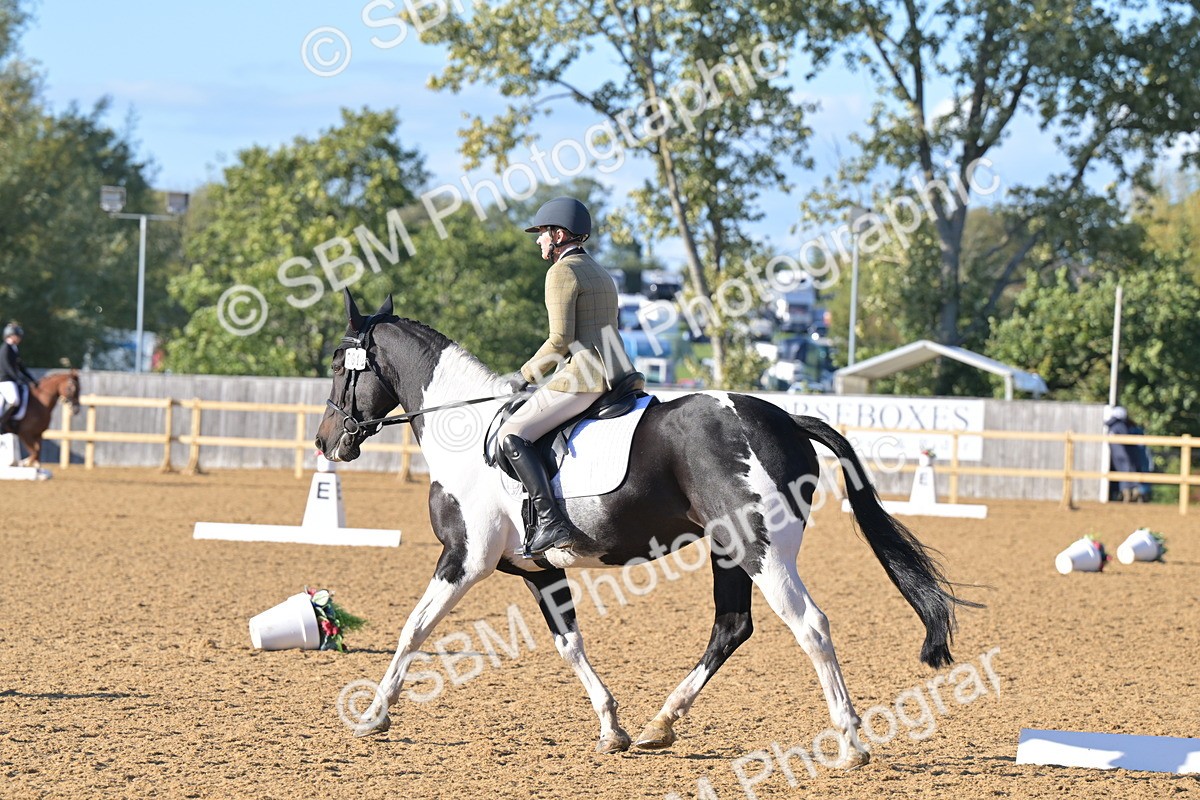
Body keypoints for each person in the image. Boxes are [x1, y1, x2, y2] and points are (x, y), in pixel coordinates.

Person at [497, 197, 635, 557]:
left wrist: (524, 376)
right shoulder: (600, 271)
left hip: (587, 375)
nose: (539, 241)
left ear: (559, 235)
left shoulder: (561, 272)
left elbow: (559, 340)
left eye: (542, 233)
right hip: (619, 367)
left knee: (512, 433)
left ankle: (550, 521)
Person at [0, 323, 38, 434]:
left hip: (12, 380)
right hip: (5, 380)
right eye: (18, 335)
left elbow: (21, 367)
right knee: (14, 400)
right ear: (11, 336)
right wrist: (17, 378)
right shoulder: (5, 349)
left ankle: (13, 421)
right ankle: (2, 422)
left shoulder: (14, 349)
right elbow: (7, 367)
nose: (20, 338)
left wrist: (32, 380)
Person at [1103, 405, 1144, 502]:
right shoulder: (1120, 426)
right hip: (1124, 454)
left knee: (1122, 473)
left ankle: (1126, 493)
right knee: (1129, 472)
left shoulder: (1111, 427)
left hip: (1115, 454)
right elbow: (1127, 439)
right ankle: (1132, 494)